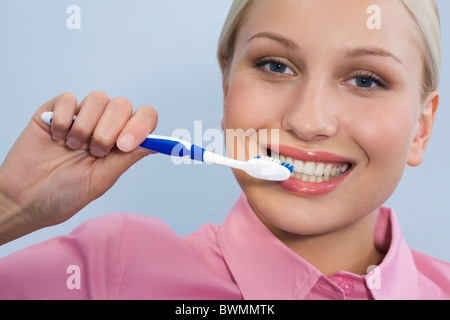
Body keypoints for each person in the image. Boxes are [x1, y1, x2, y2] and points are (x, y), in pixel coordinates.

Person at [0, 0, 449, 300]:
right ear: (226, 86)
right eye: (276, 66)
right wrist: (11, 208)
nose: (309, 121)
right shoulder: (106, 272)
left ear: (421, 129)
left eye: (366, 80)